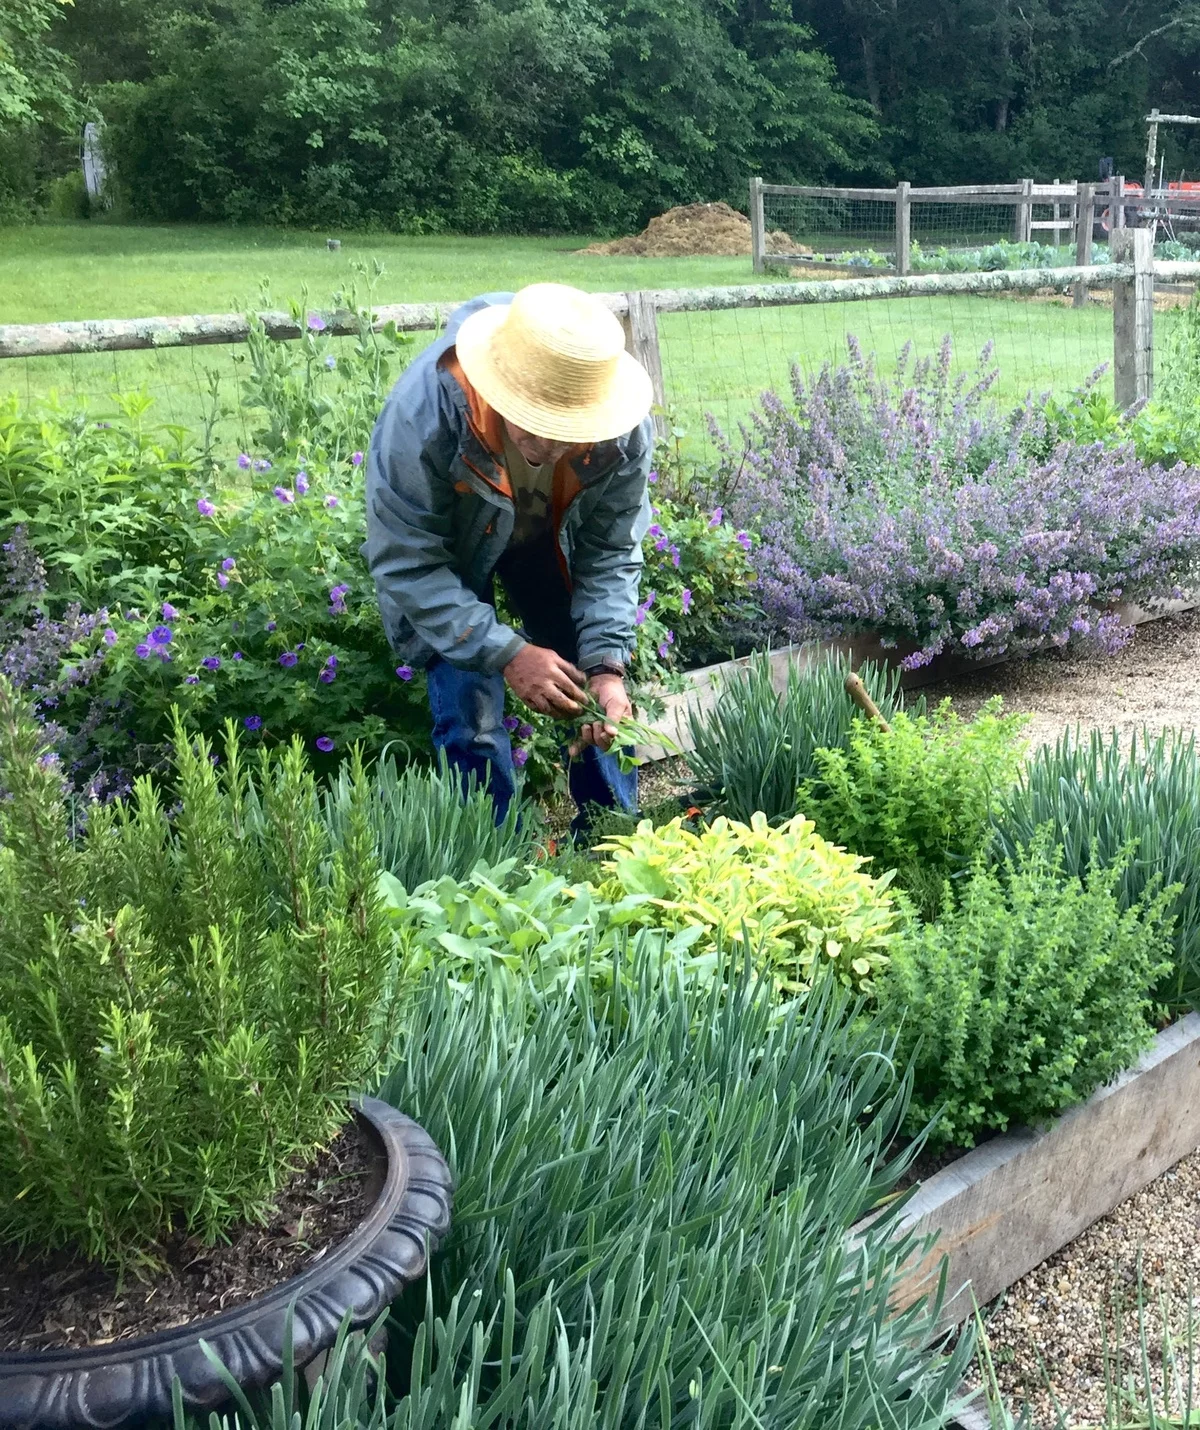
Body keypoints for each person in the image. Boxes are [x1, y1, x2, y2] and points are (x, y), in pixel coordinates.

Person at [364, 282, 655, 831]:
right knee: (470, 706)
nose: (547, 449)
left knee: (598, 699)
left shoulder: (623, 432)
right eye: (537, 424)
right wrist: (506, 653)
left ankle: (614, 836)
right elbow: (409, 562)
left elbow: (610, 552)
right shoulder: (424, 418)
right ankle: (495, 863)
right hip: (450, 555)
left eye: (568, 433)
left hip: (550, 535)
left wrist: (607, 665)